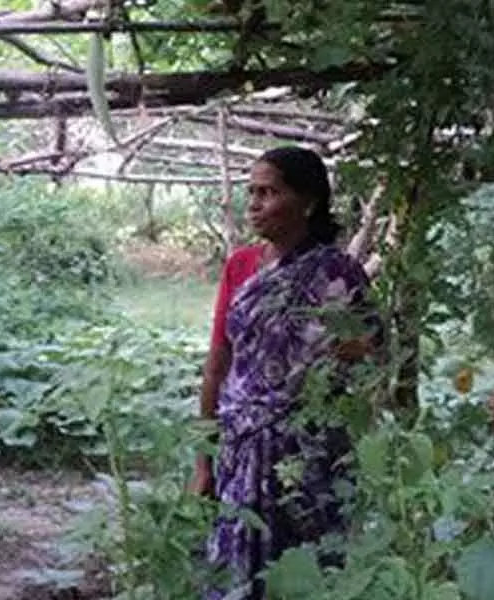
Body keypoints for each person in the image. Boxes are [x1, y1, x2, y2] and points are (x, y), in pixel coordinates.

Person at [189, 146, 380, 599]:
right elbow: (218, 364)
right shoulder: (240, 267)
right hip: (242, 447)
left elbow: (372, 357)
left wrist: (338, 361)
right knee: (236, 569)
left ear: (307, 202)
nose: (253, 203)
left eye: (269, 192)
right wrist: (204, 461)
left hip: (310, 455)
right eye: (251, 191)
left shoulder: (339, 275)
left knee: (306, 572)